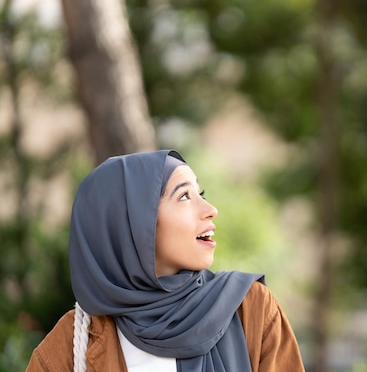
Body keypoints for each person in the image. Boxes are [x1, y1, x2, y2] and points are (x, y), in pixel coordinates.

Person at [25, 150, 306, 372]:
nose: (210, 210)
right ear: (132, 224)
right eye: (184, 196)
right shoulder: (73, 342)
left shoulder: (251, 309)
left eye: (201, 194)